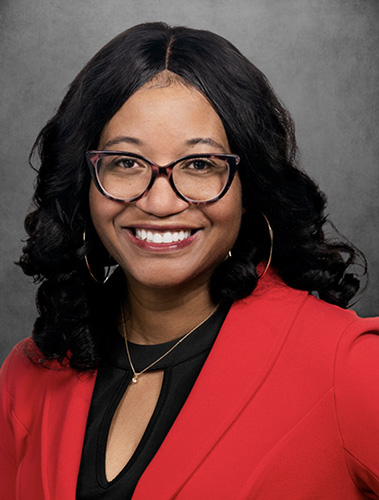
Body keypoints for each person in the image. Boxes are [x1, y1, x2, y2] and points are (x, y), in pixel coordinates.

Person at [1, 21, 378, 500]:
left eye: (199, 165)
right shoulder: (28, 376)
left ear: (248, 187)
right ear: (85, 182)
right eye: (126, 162)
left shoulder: (344, 366)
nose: (159, 203)